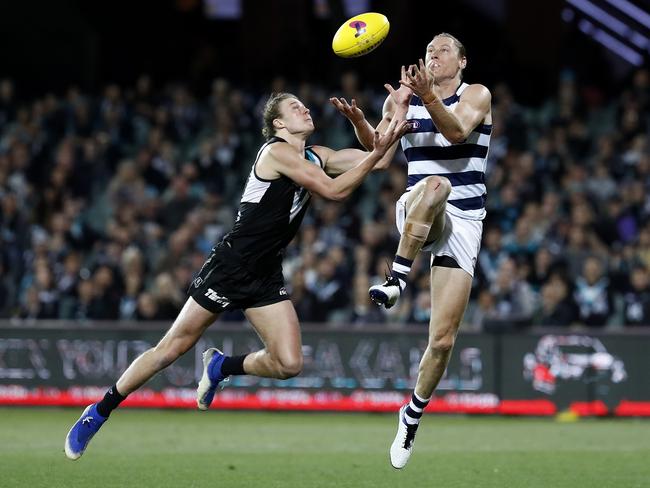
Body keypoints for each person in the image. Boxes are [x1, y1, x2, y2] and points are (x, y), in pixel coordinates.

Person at [64, 92, 409, 460]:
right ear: (278, 124)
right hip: (231, 265)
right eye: (295, 107)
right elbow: (334, 189)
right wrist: (375, 146)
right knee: (171, 349)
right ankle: (98, 411)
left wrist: (383, 113)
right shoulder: (275, 152)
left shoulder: (317, 154)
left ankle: (220, 366)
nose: (304, 109)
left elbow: (381, 160)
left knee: (288, 363)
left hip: (265, 272)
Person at [333, 33, 492, 469]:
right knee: (436, 185)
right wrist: (362, 123)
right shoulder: (403, 98)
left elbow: (458, 130)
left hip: (465, 220)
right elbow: (378, 156)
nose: (433, 56)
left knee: (441, 340)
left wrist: (424, 97)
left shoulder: (476, 94)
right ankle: (398, 278)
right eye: (428, 51)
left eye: (442, 50)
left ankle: (412, 413)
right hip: (419, 204)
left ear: (462, 60)